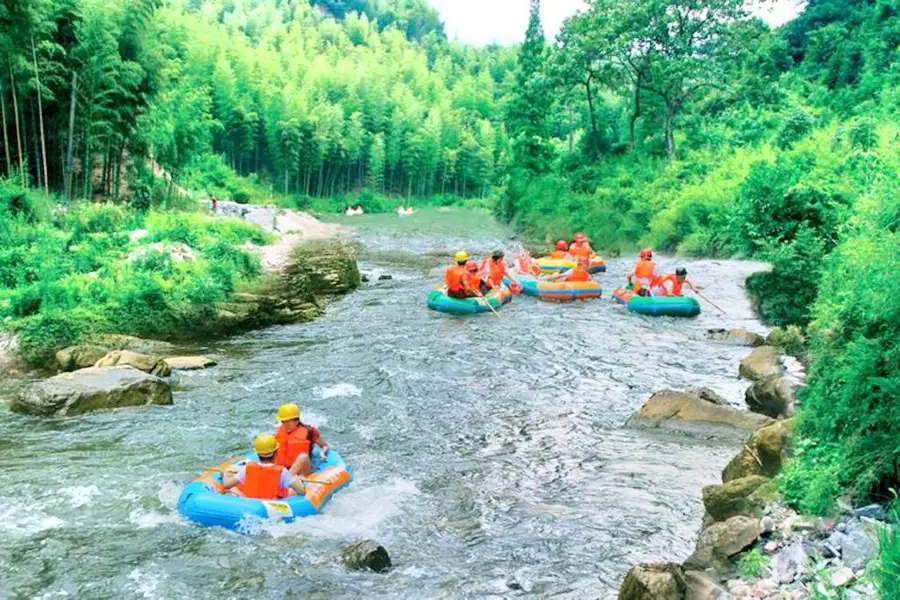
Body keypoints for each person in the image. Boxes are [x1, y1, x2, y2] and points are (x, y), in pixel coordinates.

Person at [222, 434, 307, 500]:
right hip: (272, 505)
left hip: (249, 503)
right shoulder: (282, 472)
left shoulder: (246, 468)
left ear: (257, 453)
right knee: (292, 489)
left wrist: (225, 472)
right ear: (276, 452)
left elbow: (226, 485)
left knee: (234, 488)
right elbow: (302, 492)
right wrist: (297, 480)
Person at [273, 403, 329, 477]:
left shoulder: (310, 431)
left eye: (288, 421)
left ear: (296, 420)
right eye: (283, 421)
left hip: (301, 469)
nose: (285, 424)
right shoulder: (281, 430)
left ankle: (286, 480)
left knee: (302, 457)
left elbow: (325, 446)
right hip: (283, 467)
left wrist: (322, 453)